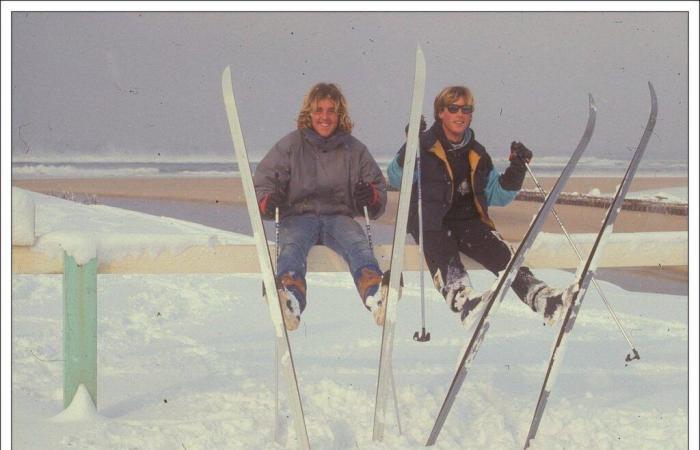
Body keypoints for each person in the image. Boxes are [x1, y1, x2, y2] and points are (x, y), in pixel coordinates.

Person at [387, 85, 569, 328]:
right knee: (444, 254)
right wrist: (410, 145)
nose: (460, 114)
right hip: (431, 221)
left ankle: (542, 298)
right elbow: (396, 177)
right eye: (453, 108)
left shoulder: (477, 153)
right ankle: (464, 300)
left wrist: (516, 169)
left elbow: (498, 195)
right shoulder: (424, 146)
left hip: (469, 221)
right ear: (441, 112)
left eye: (466, 109)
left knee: (502, 255)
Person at [253, 83, 388, 331]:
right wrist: (268, 200)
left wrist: (370, 195)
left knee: (357, 244)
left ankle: (376, 294)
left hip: (338, 216)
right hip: (298, 216)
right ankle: (290, 299)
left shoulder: (355, 150)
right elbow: (262, 181)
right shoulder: (290, 146)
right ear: (309, 113)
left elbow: (377, 189)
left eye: (331, 111)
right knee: (291, 246)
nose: (324, 117)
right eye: (319, 110)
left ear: (340, 115)